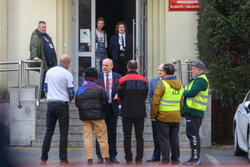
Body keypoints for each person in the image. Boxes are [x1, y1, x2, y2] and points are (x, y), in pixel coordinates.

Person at [40, 54, 75, 166]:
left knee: (48, 132)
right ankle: (63, 160)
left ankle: (43, 158)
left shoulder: (49, 71)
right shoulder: (68, 74)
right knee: (63, 133)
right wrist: (68, 99)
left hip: (50, 104)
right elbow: (71, 93)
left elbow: (45, 88)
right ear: (67, 63)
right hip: (62, 105)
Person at [75, 68, 110, 165]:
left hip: (85, 118)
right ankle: (106, 158)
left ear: (86, 77)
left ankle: (89, 159)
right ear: (95, 78)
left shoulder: (80, 89)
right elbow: (105, 102)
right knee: (102, 138)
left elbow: (77, 103)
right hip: (99, 117)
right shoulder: (99, 89)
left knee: (87, 138)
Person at [151, 64, 184, 164]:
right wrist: (179, 112)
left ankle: (165, 159)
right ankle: (175, 158)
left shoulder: (162, 84)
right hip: (175, 116)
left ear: (164, 72)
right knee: (174, 139)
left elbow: (155, 101)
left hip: (163, 117)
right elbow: (182, 102)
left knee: (164, 139)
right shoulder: (180, 85)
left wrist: (153, 115)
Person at [117, 60, 148, 164]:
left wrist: (123, 103)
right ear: (137, 68)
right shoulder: (144, 80)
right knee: (140, 136)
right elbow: (145, 95)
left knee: (127, 136)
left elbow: (119, 96)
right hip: (140, 111)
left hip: (127, 111)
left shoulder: (122, 80)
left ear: (127, 67)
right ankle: (139, 157)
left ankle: (128, 158)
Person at [182, 60, 209, 166]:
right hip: (192, 111)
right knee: (192, 135)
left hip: (195, 111)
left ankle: (196, 159)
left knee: (193, 135)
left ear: (199, 70)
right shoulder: (196, 79)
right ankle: (193, 158)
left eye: (193, 69)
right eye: (192, 68)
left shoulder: (200, 80)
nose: (191, 70)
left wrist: (182, 92)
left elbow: (191, 93)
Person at [95, 58, 122, 163]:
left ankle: (112, 154)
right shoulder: (97, 77)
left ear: (112, 66)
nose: (104, 67)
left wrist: (118, 95)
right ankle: (100, 155)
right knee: (100, 133)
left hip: (112, 107)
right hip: (100, 108)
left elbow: (122, 91)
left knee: (112, 132)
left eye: (106, 65)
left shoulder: (118, 77)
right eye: (103, 65)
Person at [29, 21, 57, 98]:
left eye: (45, 27)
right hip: (45, 63)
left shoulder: (46, 36)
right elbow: (33, 46)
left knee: (51, 80)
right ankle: (42, 96)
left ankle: (50, 95)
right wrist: (34, 56)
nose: (44, 29)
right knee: (44, 79)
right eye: (43, 27)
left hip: (51, 63)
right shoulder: (36, 35)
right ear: (38, 27)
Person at [147, 64, 164, 162]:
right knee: (156, 136)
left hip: (166, 113)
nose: (159, 72)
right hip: (155, 113)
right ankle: (156, 156)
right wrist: (155, 107)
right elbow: (150, 96)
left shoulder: (169, 81)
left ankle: (166, 156)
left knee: (165, 136)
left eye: (161, 70)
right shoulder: (153, 81)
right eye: (158, 70)